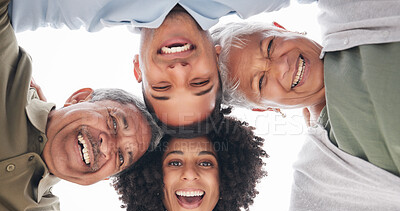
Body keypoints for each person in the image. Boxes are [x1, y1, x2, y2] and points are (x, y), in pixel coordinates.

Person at [210, 2, 400, 211]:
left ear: (280, 27)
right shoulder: (320, 182)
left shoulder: (347, 11)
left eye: (270, 46)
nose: (281, 67)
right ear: (263, 108)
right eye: (261, 82)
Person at [66, 117, 377, 211]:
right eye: (175, 162)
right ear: (153, 178)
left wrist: (321, 130)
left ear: (226, 179)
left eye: (205, 162)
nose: (190, 173)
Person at [0, 0, 161, 211]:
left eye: (121, 157)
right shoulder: (9, 71)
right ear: (79, 98)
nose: (107, 147)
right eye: (113, 123)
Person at [8, 0, 290, 131]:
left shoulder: (71, 8)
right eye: (198, 82)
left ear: (137, 70)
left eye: (162, 86)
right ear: (217, 59)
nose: (179, 69)